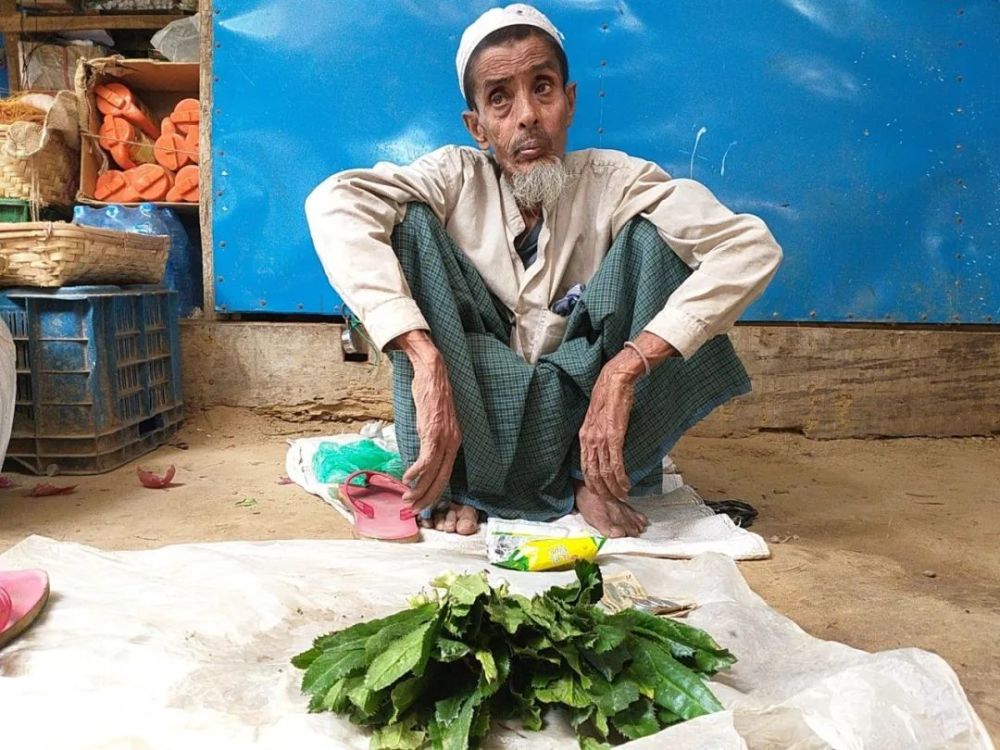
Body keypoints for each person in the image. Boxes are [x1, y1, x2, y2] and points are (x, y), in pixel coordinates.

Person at [306, 4, 782, 538]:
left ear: (570, 102)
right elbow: (334, 202)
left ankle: (592, 479)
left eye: (543, 88)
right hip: (480, 405)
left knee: (659, 240)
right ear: (478, 127)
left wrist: (627, 367)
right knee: (407, 226)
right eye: (500, 98)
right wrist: (423, 356)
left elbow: (749, 247)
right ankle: (458, 483)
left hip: (580, 407)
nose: (527, 115)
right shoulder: (453, 176)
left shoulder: (615, 180)